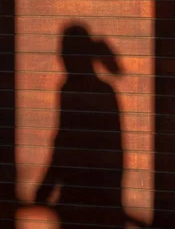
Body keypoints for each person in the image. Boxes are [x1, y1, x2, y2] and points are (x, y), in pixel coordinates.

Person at [35, 24, 143, 229]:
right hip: (92, 198)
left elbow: (65, 145)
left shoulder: (81, 93)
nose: (62, 58)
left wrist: (46, 187)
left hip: (87, 198)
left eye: (66, 52)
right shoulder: (95, 91)